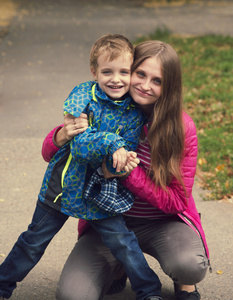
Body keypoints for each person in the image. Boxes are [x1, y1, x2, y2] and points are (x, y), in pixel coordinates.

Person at [42, 40, 210, 300]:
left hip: (162, 223)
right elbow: (48, 153)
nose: (144, 85)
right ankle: (119, 266)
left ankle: (184, 283)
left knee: (189, 265)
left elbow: (177, 201)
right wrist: (61, 135)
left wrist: (125, 173)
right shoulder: (104, 106)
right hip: (108, 221)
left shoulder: (180, 127)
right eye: (140, 74)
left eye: (157, 80)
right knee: (72, 295)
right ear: (128, 70)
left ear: (169, 87)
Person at [0, 34, 162, 300]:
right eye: (107, 71)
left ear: (131, 72)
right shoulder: (81, 96)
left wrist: (122, 160)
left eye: (124, 71)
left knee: (123, 242)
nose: (116, 79)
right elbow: (80, 145)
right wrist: (112, 144)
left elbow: (125, 154)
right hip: (62, 186)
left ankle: (149, 291)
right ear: (94, 71)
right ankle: (2, 285)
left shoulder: (134, 113)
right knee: (34, 241)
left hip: (100, 191)